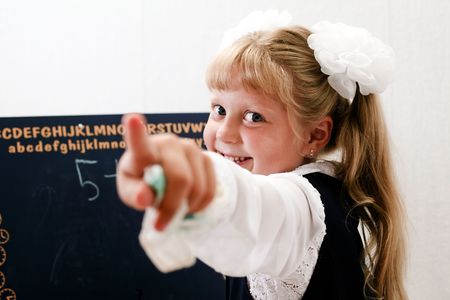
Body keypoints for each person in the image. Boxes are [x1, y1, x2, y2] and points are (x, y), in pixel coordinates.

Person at [116, 11, 407, 300]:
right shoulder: (325, 191)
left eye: (254, 116)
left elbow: (253, 207)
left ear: (315, 135)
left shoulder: (300, 207)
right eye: (219, 110)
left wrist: (191, 178)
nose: (224, 134)